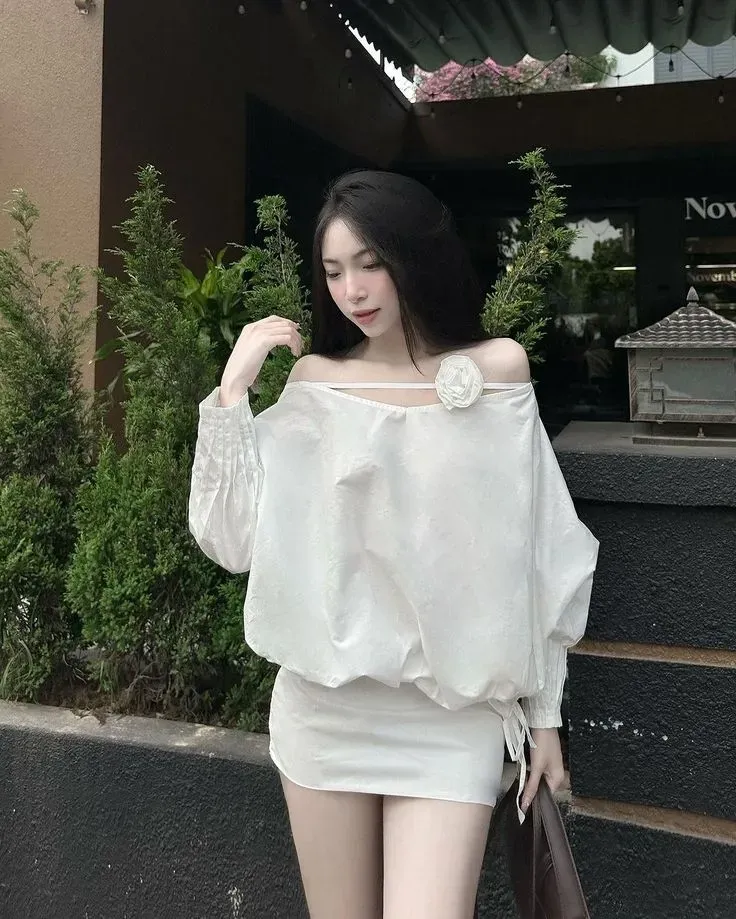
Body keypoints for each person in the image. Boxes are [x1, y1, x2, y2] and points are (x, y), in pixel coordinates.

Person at [188, 170, 599, 919]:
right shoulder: (315, 381)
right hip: (324, 712)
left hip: (453, 718)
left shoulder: (498, 370)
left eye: (370, 262)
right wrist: (230, 394)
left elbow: (538, 556)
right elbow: (233, 542)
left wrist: (544, 716)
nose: (353, 290)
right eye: (334, 271)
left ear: (415, 255)